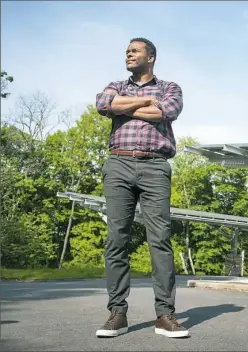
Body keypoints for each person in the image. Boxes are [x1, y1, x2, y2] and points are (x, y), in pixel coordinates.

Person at [95, 37, 188, 338]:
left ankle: (165, 315)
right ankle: (117, 314)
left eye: (135, 51)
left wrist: (122, 109)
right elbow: (102, 103)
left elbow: (164, 113)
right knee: (116, 240)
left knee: (160, 239)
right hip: (118, 165)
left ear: (152, 57)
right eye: (126, 51)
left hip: (155, 166)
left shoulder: (170, 88)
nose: (129, 54)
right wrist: (143, 103)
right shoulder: (116, 85)